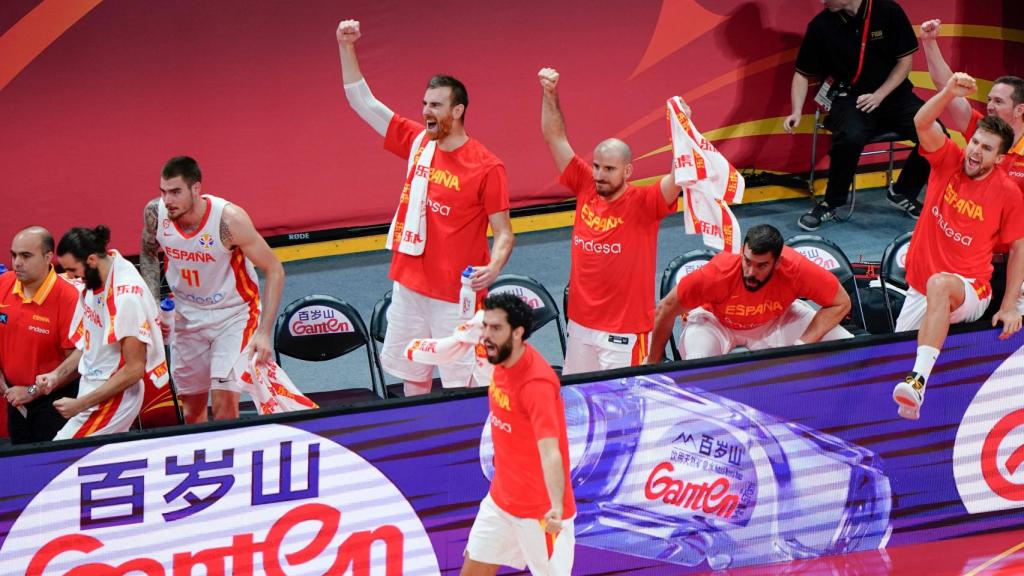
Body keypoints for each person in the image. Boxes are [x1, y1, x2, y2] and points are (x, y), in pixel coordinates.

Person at [336, 20, 514, 396]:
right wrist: (345, 46)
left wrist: (494, 266)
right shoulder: (418, 142)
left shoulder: (486, 166)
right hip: (409, 286)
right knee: (411, 374)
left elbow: (504, 232)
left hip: (456, 295)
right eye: (424, 104)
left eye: (435, 105)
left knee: (459, 384)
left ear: (458, 110)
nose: (426, 111)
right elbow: (361, 101)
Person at [892, 73, 1024, 420]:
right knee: (894, 356)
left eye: (986, 148)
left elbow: (1019, 248)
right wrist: (948, 91)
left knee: (940, 284)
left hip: (971, 288)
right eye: (975, 143)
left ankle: (919, 380)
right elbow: (921, 121)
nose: (976, 152)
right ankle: (914, 404)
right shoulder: (947, 158)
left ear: (999, 158)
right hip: (919, 288)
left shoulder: (1008, 193)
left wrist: (1009, 305)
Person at [539, 67, 682, 375]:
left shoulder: (646, 202)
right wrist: (550, 94)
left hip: (625, 330)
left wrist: (683, 132)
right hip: (580, 324)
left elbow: (678, 177)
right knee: (579, 400)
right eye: (597, 166)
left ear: (628, 171)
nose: (600, 175)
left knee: (623, 407)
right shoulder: (584, 184)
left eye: (609, 169)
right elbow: (554, 137)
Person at [141, 156, 285, 424]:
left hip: (233, 315)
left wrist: (264, 333)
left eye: (175, 192)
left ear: (196, 188)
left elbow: (275, 269)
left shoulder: (229, 220)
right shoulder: (155, 213)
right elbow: (148, 255)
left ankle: (230, 463)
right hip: (186, 315)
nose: (167, 200)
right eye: (163, 191)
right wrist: (152, 306)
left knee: (224, 408)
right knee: (192, 412)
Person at [783, 0, 931, 231]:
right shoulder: (820, 25)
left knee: (936, 135)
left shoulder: (888, 11)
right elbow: (802, 73)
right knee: (850, 138)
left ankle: (903, 191)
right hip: (849, 97)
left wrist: (879, 95)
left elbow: (905, 62)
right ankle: (831, 203)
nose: (822, 2)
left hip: (892, 94)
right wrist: (796, 110)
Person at [461, 292, 574, 576]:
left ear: (518, 332)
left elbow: (551, 451)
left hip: (541, 513)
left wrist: (557, 507)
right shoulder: (499, 356)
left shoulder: (536, 384)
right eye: (486, 326)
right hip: (501, 500)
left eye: (496, 328)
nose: (486, 335)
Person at [647, 224, 854, 362]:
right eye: (747, 261)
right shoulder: (717, 273)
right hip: (716, 322)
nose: (750, 272)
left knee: (849, 349)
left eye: (762, 266)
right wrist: (653, 367)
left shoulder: (796, 269)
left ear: (778, 262)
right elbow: (665, 309)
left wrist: (804, 343)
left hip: (775, 321)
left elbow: (841, 302)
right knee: (696, 363)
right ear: (742, 251)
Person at [38, 226, 169, 440]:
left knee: (60, 455)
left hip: (115, 395)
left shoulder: (126, 297)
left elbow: (135, 369)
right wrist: (56, 375)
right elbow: (91, 345)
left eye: (72, 270)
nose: (70, 277)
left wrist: (80, 404)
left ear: (91, 260)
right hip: (93, 384)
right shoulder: (98, 275)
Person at [919, 18, 1024, 190]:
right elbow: (945, 85)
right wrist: (929, 41)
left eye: (998, 101)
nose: (990, 106)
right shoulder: (981, 129)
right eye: (989, 99)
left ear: (1019, 109)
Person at [0, 227, 80, 443]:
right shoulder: (4, 284)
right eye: (14, 254)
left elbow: (77, 361)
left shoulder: (67, 298)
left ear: (47, 257)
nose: (17, 262)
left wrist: (33, 391)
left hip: (53, 404)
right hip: (15, 400)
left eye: (26, 256)